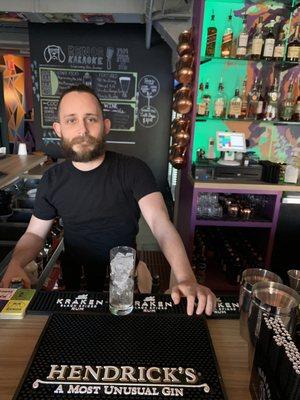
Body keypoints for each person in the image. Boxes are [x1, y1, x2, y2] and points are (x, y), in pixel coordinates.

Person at [0, 84, 216, 316]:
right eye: (71, 120)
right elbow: (34, 234)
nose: (82, 129)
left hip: (123, 280)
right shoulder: (52, 179)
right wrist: (16, 262)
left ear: (105, 126)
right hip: (75, 281)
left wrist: (185, 277)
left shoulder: (133, 170)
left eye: (91, 119)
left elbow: (160, 224)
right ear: (58, 129)